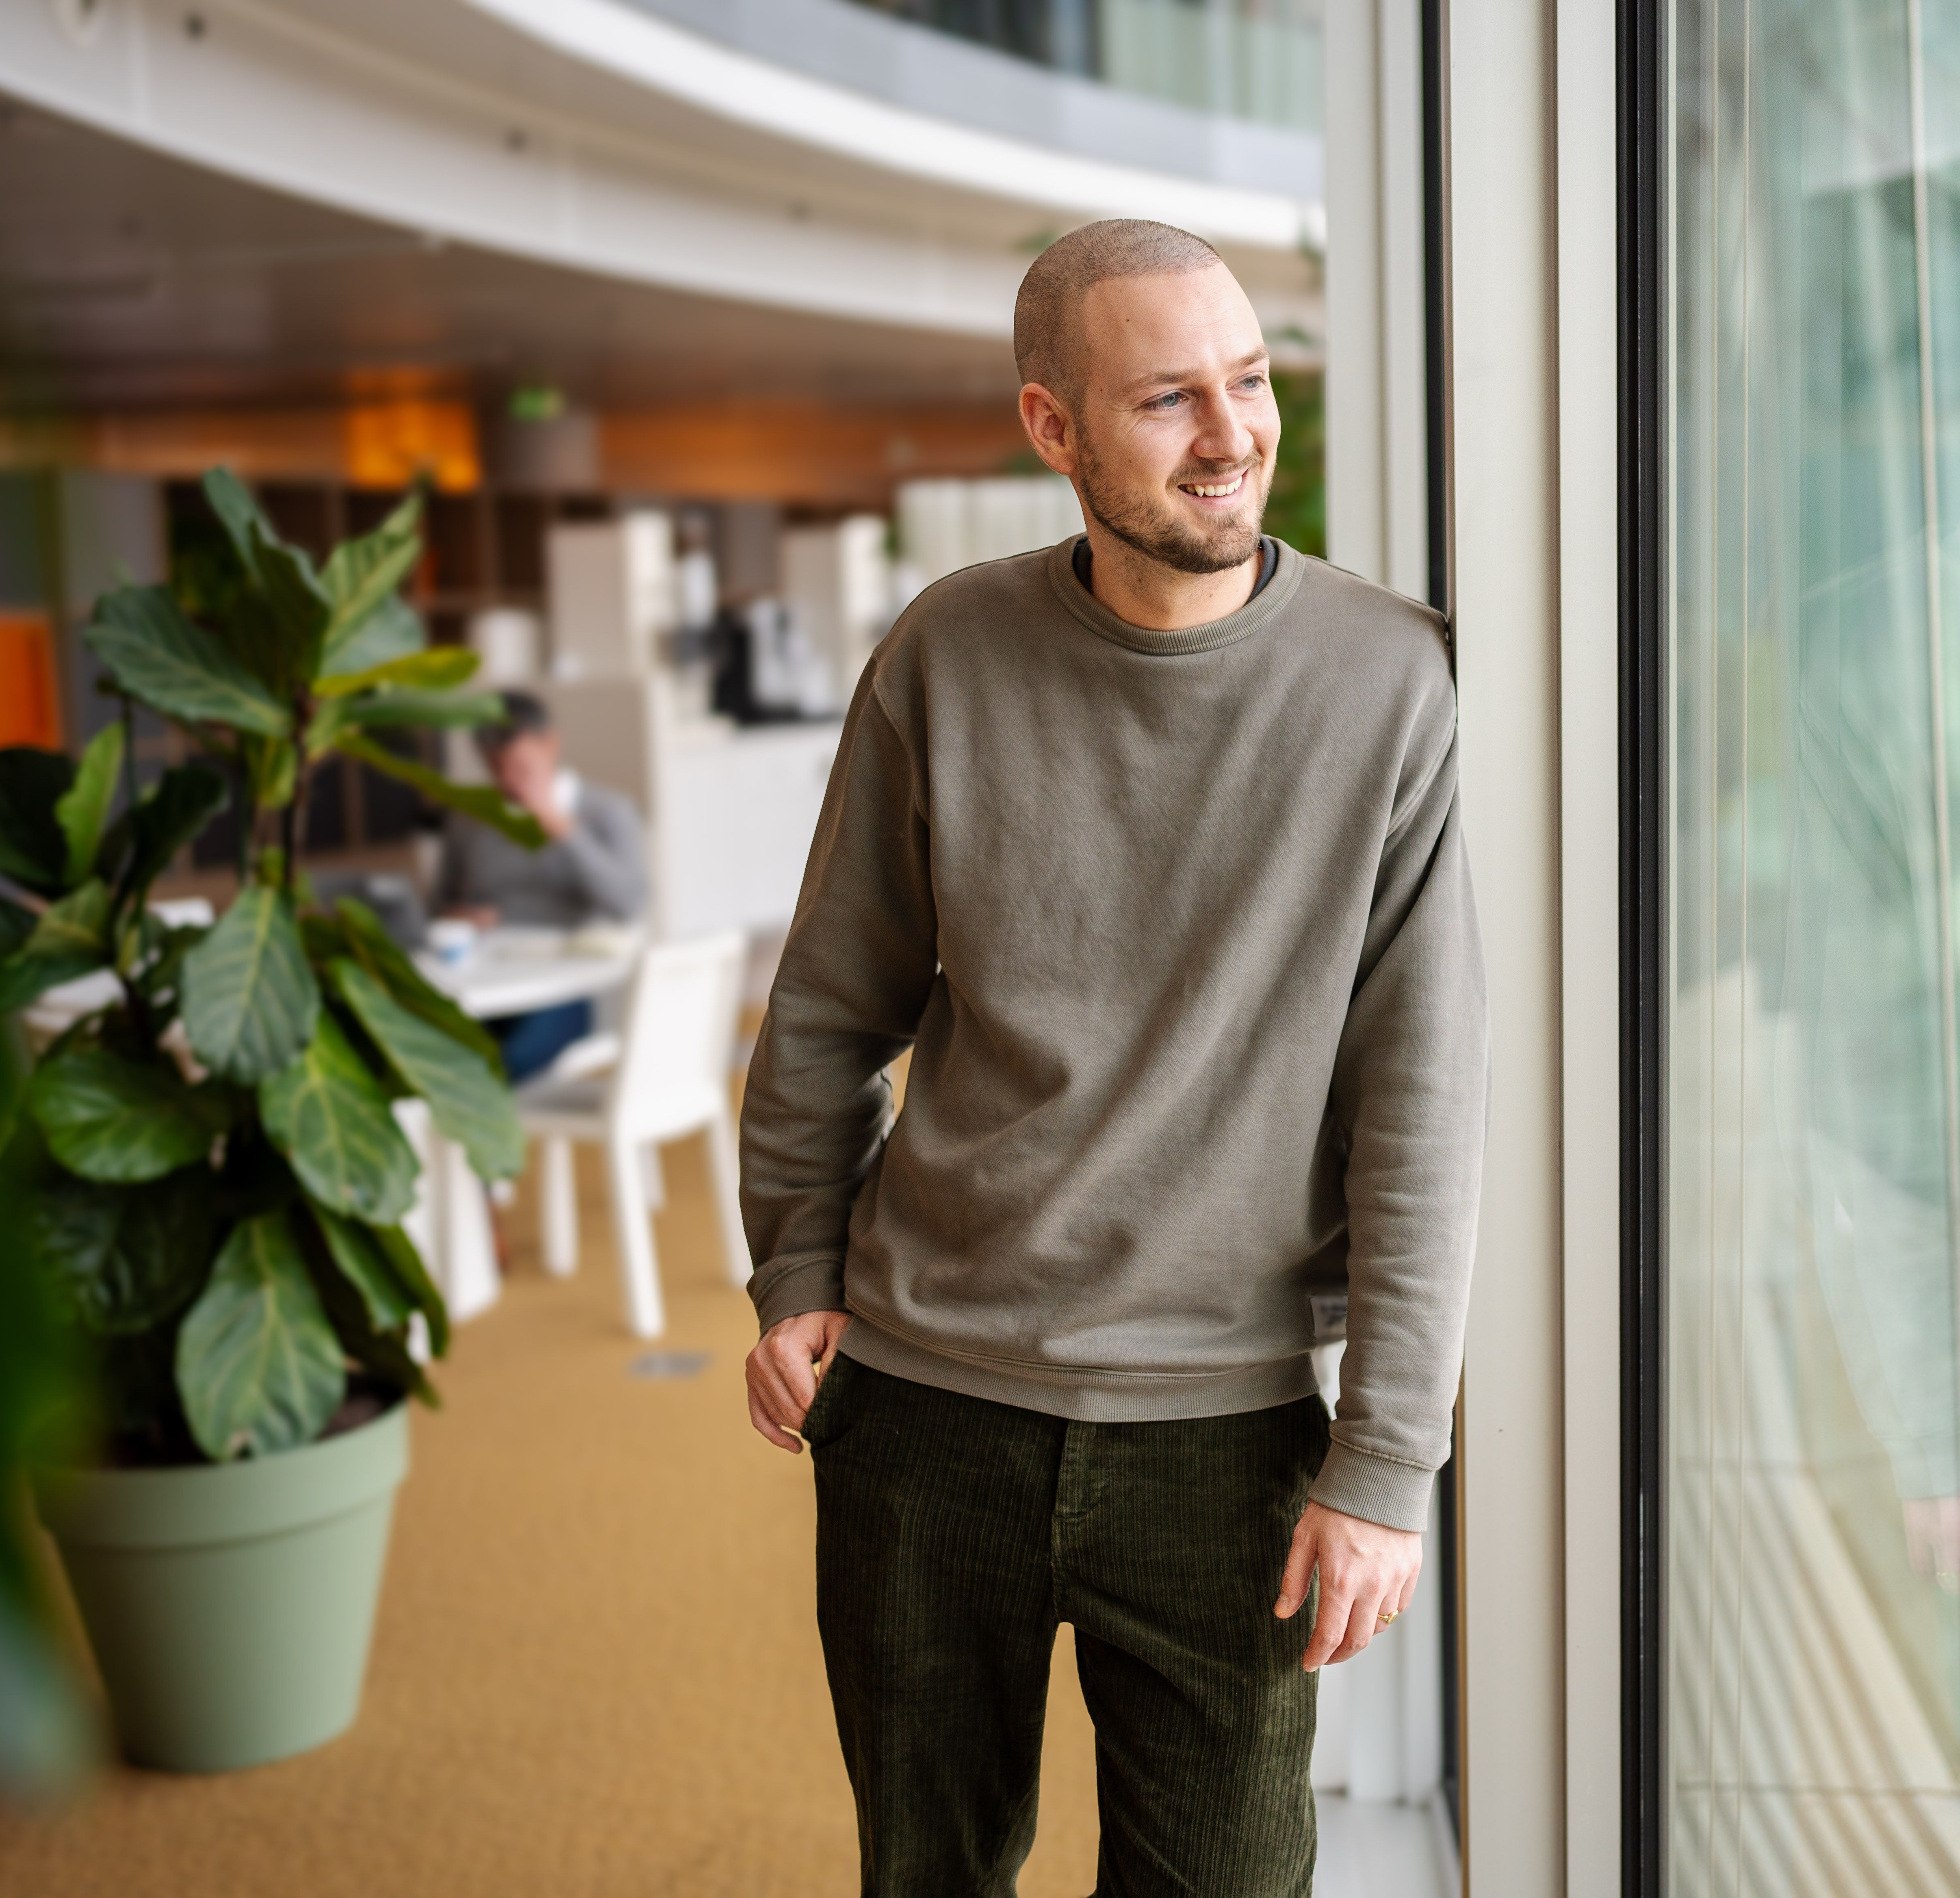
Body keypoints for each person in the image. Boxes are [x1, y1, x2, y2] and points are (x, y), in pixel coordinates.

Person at [736, 219, 1487, 1893]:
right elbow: (829, 1008)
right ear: (1052, 427)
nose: (1234, 434)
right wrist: (794, 1265)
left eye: (1250, 379)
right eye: (1170, 398)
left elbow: (1423, 1102)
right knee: (926, 1870)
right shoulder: (943, 652)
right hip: (926, 1412)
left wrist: (1386, 1458)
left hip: (1225, 1436)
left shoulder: (1393, 682)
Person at [438, 689, 649, 1082]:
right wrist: (461, 915)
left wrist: (561, 827)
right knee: (433, 1056)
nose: (508, 782)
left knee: (492, 1068)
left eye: (520, 767)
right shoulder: (471, 819)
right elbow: (439, 905)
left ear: (550, 745)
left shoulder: (607, 811)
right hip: (486, 975)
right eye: (495, 768)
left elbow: (631, 902)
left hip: (565, 989)